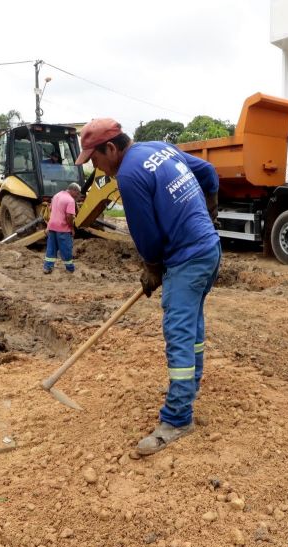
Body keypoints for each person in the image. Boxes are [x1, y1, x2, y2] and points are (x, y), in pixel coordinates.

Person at [75, 118, 220, 456]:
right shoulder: (159, 148)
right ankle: (189, 388)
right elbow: (210, 174)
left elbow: (146, 236)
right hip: (210, 251)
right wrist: (209, 218)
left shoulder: (127, 176)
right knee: (192, 327)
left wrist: (152, 268)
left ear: (110, 149)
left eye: (94, 160)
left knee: (179, 333)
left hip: (187, 260)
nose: (96, 168)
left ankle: (178, 418)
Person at [43, 183, 82, 274]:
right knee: (66, 249)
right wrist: (72, 228)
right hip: (63, 229)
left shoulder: (57, 195)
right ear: (73, 190)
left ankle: (47, 267)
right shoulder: (70, 200)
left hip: (52, 226)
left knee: (51, 248)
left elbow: (52, 210)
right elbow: (69, 216)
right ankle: (70, 268)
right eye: (77, 193)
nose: (77, 196)